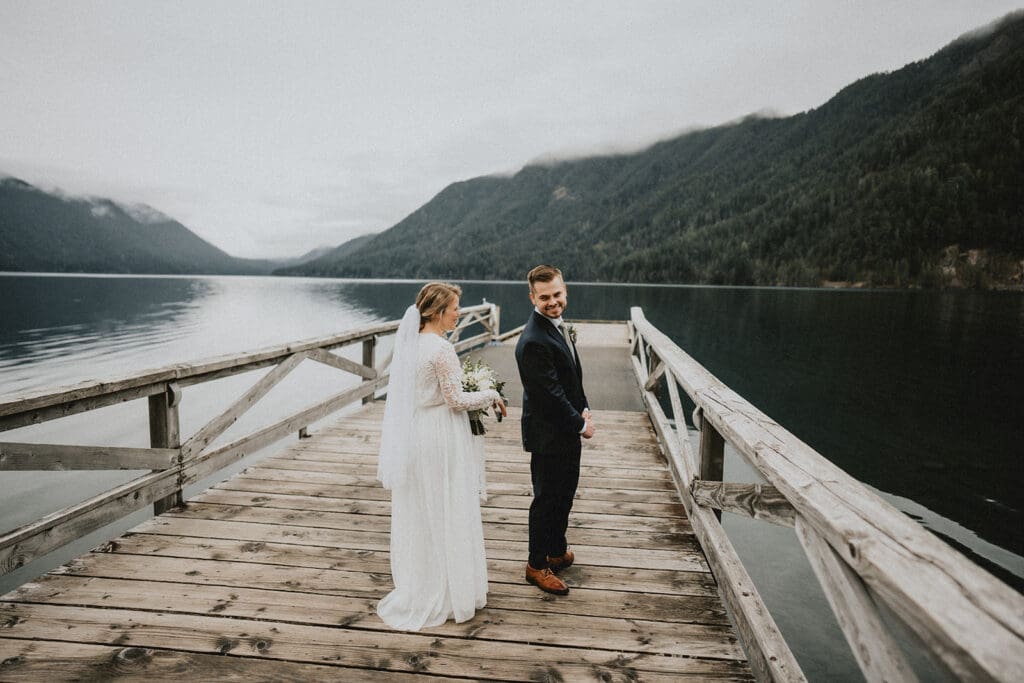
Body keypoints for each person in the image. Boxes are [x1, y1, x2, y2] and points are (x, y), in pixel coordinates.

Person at [376, 282, 507, 630]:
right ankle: (448, 591)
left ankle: (421, 584)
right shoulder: (442, 349)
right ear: (436, 312)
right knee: (448, 505)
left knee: (424, 508)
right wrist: (489, 394)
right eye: (454, 308)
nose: (458, 313)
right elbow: (455, 400)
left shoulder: (410, 345)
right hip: (440, 435)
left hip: (417, 432)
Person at [514, 265, 594, 596]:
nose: (553, 302)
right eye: (544, 297)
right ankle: (536, 565)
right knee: (547, 499)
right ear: (532, 298)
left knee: (565, 494)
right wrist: (581, 425)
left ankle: (556, 550)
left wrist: (583, 406)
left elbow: (571, 376)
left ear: (565, 291)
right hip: (548, 434)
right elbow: (550, 395)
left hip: (565, 430)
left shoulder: (557, 327)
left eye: (557, 294)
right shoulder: (534, 339)